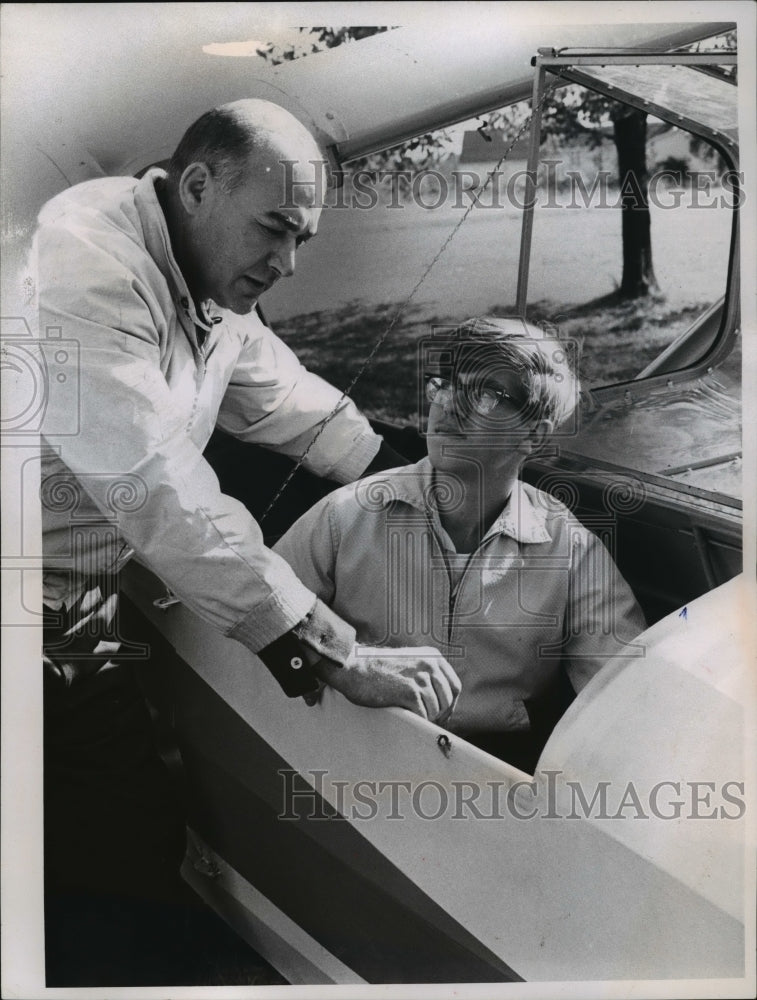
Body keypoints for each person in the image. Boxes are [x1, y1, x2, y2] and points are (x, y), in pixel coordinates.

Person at [32, 99, 461, 984]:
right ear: (196, 186)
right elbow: (155, 487)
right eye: (274, 230)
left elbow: (284, 397)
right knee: (83, 873)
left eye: (302, 237)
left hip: (73, 614)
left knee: (127, 847)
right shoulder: (86, 267)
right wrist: (334, 651)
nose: (288, 263)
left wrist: (414, 491)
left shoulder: (198, 265)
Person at [275, 316, 647, 774]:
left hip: (495, 775)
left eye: (487, 394)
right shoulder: (348, 514)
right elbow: (261, 610)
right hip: (354, 757)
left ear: (534, 434)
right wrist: (347, 663)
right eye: (447, 384)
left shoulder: (570, 550)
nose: (449, 405)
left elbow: (626, 698)